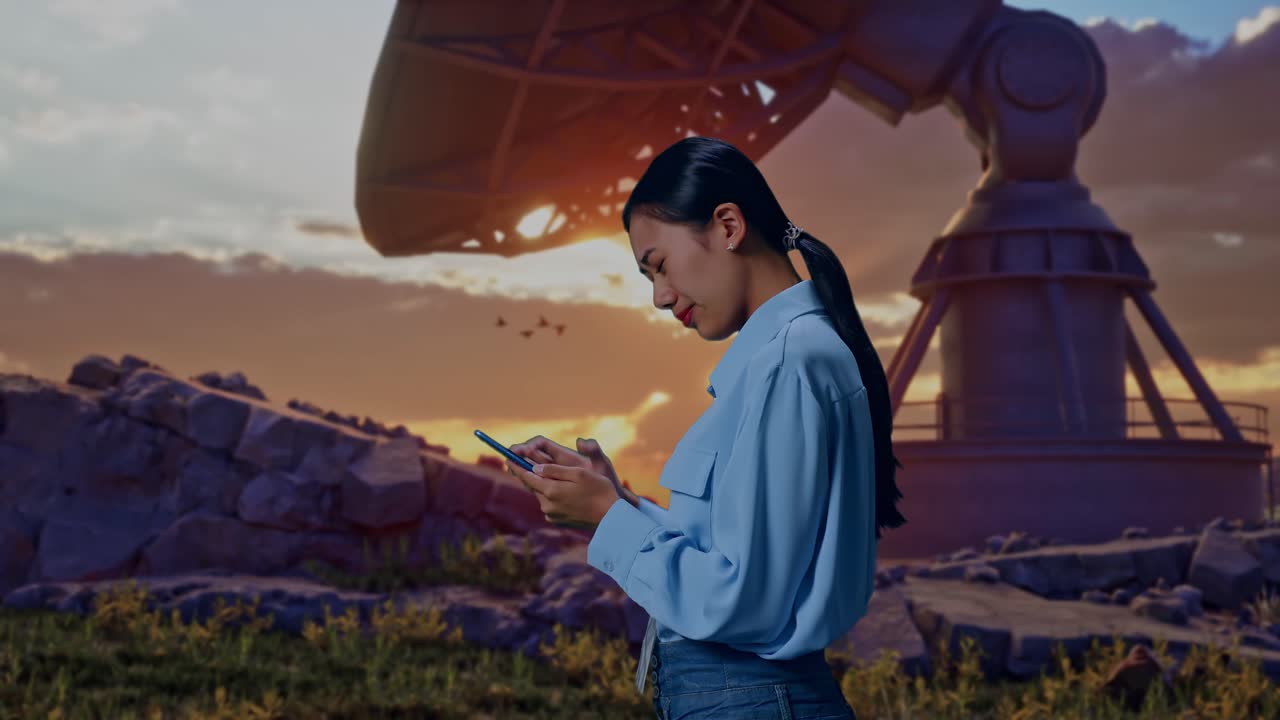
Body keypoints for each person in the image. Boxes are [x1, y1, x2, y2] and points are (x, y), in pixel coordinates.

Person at [506, 136, 907, 719]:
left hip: (753, 699)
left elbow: (743, 602)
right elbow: (733, 557)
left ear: (727, 225)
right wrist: (618, 500)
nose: (659, 298)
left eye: (659, 266)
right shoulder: (783, 358)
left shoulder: (789, 361)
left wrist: (605, 519)